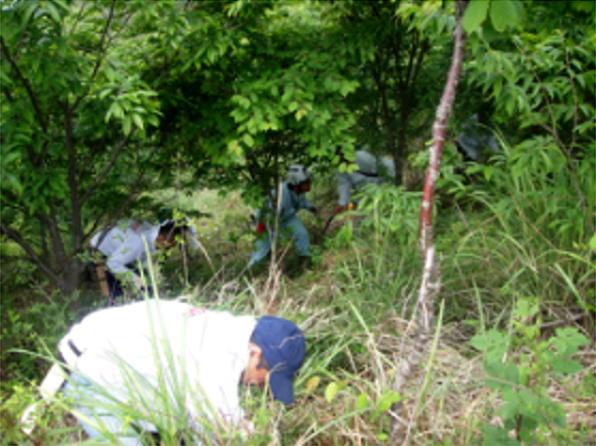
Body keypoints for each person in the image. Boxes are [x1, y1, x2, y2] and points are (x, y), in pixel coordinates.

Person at [59, 299, 306, 445]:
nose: (260, 386)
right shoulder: (216, 354)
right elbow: (222, 428)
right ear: (255, 353)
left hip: (121, 364)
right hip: (92, 374)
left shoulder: (235, 330)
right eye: (265, 379)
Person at [89, 219, 186, 302]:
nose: (172, 246)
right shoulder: (137, 242)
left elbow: (143, 256)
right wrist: (136, 279)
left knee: (146, 278)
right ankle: (120, 304)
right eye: (169, 244)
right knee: (141, 286)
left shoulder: (150, 233)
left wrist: (152, 271)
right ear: (160, 238)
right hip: (99, 254)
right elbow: (112, 264)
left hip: (114, 252)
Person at [249, 164, 317, 267]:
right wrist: (274, 232)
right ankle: (255, 268)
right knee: (263, 246)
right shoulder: (281, 194)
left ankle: (304, 263)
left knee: (302, 234)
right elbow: (268, 213)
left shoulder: (300, 191)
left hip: (287, 216)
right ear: (296, 184)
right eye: (306, 182)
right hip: (267, 218)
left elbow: (302, 200)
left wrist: (311, 207)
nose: (309, 184)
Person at [334, 148, 395, 216]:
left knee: (386, 212)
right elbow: (344, 184)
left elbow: (388, 168)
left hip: (383, 187)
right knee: (364, 216)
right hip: (364, 194)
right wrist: (342, 204)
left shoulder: (364, 157)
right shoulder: (341, 168)